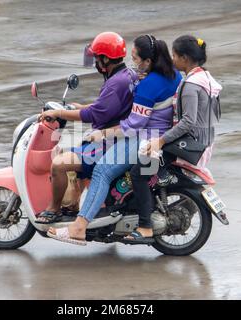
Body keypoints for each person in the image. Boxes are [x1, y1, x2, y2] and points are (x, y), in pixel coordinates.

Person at [47, 35, 182, 245]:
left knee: (102, 170)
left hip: (145, 138)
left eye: (136, 58)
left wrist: (104, 134)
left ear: (148, 61)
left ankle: (78, 227)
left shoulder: (148, 85)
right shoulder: (172, 74)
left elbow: (134, 125)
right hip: (159, 133)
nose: (133, 62)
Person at [36, 31, 138, 224]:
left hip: (109, 143)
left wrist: (59, 113)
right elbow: (105, 108)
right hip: (115, 137)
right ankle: (74, 205)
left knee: (58, 164)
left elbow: (93, 115)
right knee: (70, 150)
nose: (96, 63)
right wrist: (79, 106)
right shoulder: (126, 75)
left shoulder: (116, 83)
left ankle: (54, 209)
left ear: (106, 59)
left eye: (98, 58)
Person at [129, 35, 223, 242]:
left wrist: (160, 141)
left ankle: (145, 226)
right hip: (203, 141)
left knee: (139, 172)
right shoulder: (204, 77)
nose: (172, 60)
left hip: (185, 144)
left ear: (185, 58)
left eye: (174, 56)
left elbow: (187, 121)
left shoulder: (190, 85)